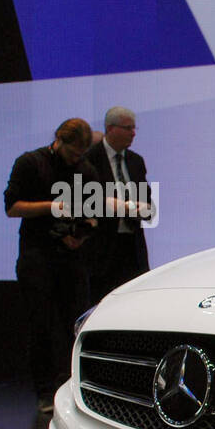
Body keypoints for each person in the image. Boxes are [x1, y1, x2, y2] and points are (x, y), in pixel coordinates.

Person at [5, 118, 101, 414]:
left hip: (71, 256)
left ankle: (74, 385)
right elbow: (12, 207)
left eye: (81, 154)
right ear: (58, 140)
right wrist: (50, 207)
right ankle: (44, 390)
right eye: (72, 153)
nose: (76, 159)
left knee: (76, 322)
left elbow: (94, 213)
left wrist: (81, 235)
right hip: (37, 255)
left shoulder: (86, 170)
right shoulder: (30, 163)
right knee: (41, 324)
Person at [84, 106, 153, 301]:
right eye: (127, 128)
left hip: (132, 247)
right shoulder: (89, 159)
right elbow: (85, 200)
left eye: (134, 128)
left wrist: (144, 209)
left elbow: (147, 201)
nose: (133, 133)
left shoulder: (135, 161)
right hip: (101, 248)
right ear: (111, 128)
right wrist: (117, 206)